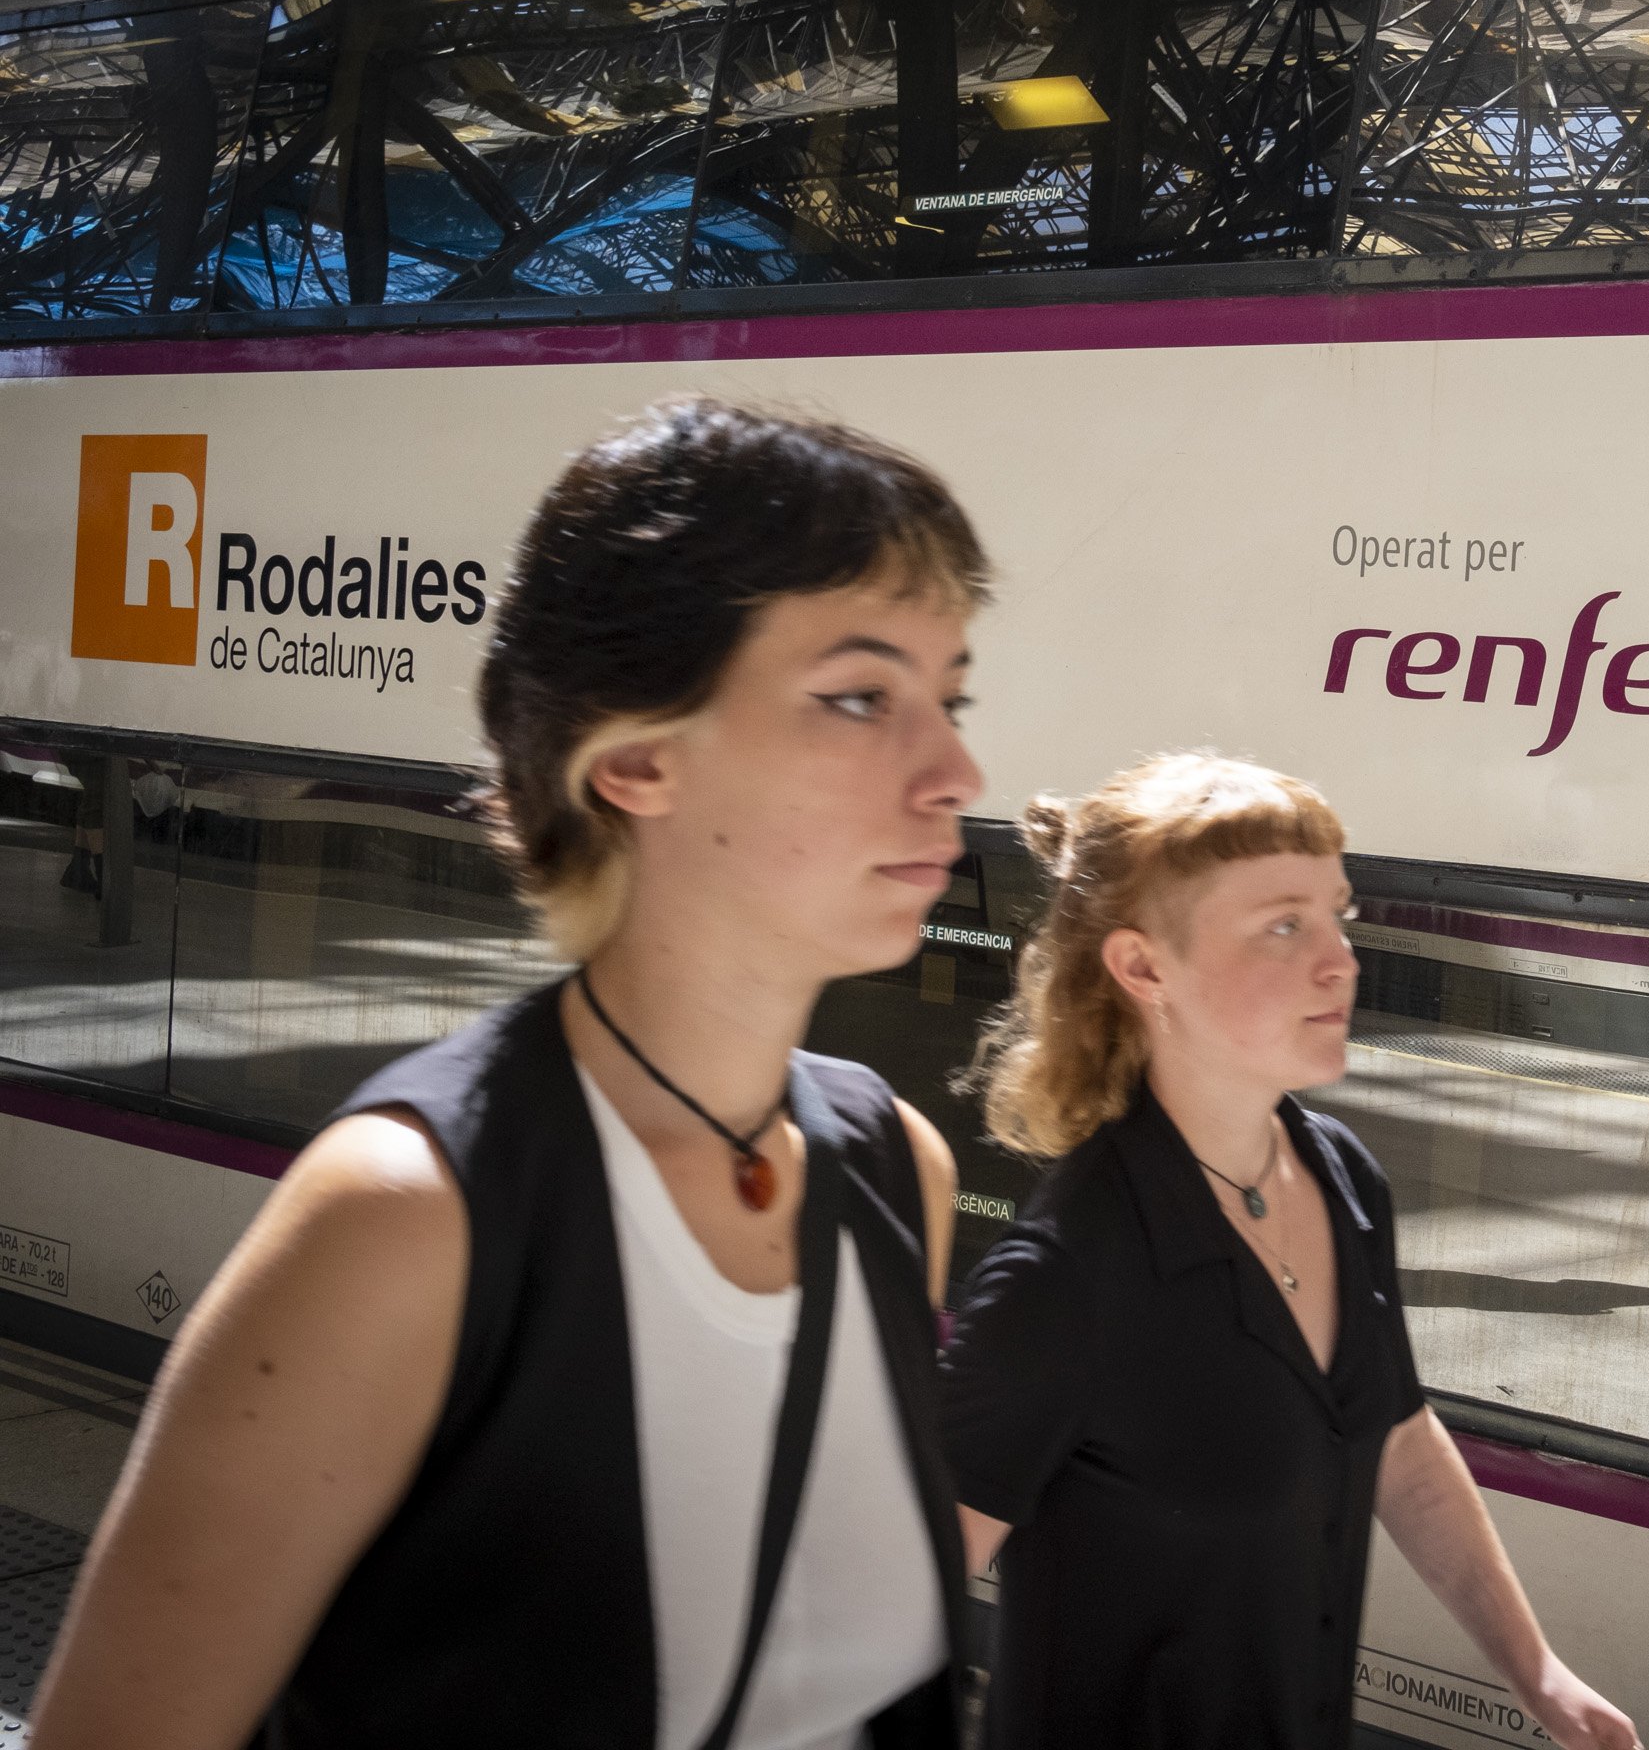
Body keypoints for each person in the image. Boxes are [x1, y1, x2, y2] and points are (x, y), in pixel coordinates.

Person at [34, 400, 985, 1749]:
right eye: (857, 697)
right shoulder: (404, 1220)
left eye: (950, 699)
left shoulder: (899, 1168)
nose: (957, 769)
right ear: (637, 757)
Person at [942, 754, 1640, 1750]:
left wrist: (1539, 1672)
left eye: (1337, 915)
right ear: (1144, 967)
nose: (1341, 961)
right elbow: (895, 1607)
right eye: (1282, 925)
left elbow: (1394, 1436)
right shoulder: (1064, 1278)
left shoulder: (1342, 1175)